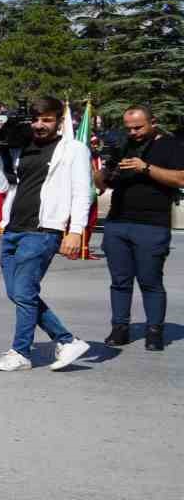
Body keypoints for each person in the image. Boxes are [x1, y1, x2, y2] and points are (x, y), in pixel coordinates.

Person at [0, 97, 93, 372]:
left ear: (58, 120)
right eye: (35, 119)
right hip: (12, 230)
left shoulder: (73, 149)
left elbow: (83, 193)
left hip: (43, 231)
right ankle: (66, 340)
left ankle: (20, 352)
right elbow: (2, 185)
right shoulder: (21, 148)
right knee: (19, 293)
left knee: (23, 292)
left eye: (46, 119)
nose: (40, 125)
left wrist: (76, 232)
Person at [96, 106, 182, 353]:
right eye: (129, 128)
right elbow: (102, 185)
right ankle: (119, 328)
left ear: (153, 121)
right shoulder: (123, 145)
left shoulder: (170, 145)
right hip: (117, 223)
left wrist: (145, 167)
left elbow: (181, 179)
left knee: (150, 280)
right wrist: (103, 166)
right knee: (120, 281)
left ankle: (154, 331)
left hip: (152, 225)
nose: (133, 132)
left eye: (138, 127)